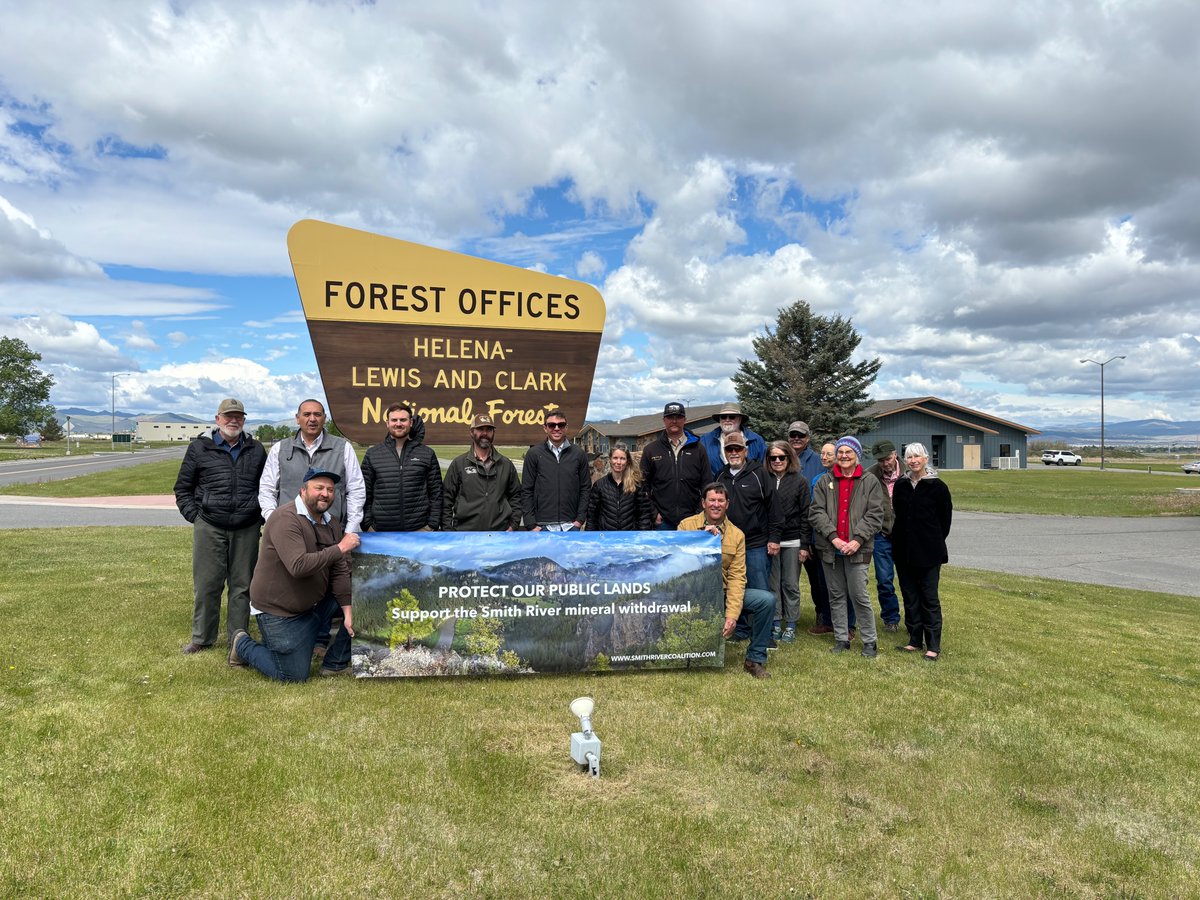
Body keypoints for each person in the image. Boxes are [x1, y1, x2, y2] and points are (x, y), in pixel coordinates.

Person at [229, 468, 360, 680]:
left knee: (362, 594)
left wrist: (348, 611)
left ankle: (334, 663)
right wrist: (340, 548)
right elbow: (298, 566)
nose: (325, 494)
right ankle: (242, 644)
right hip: (279, 613)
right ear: (303, 491)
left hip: (312, 605)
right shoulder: (285, 518)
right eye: (318, 488)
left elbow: (339, 571)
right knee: (293, 675)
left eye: (330, 489)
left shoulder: (332, 523)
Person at [174, 398, 267, 655]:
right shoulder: (199, 448)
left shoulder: (256, 449)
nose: (233, 420)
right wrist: (197, 517)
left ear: (244, 420)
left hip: (247, 527)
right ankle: (202, 637)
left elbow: (267, 487)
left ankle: (238, 637)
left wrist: (258, 516)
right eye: (228, 416)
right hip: (210, 525)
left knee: (242, 584)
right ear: (217, 419)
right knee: (207, 583)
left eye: (238, 416)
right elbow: (183, 488)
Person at [678, 483, 776, 678]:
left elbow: (737, 578)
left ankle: (754, 659)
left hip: (722, 593)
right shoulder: (686, 526)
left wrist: (732, 615)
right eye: (712, 500)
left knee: (766, 600)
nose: (716, 504)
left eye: (720, 500)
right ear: (703, 503)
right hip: (694, 592)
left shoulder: (737, 535)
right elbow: (680, 564)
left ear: (727, 504)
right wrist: (700, 538)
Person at [810, 436, 885, 658]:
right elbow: (816, 512)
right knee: (836, 595)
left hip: (858, 550)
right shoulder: (825, 481)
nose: (843, 456)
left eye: (848, 452)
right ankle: (841, 639)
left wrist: (857, 540)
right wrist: (834, 538)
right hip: (830, 549)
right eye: (840, 452)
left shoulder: (869, 481)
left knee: (859, 595)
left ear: (857, 455)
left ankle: (870, 642)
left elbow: (875, 514)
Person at [258, 398, 364, 532]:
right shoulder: (280, 449)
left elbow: (356, 490)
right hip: (290, 530)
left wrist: (350, 529)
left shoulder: (343, 448)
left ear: (324, 418)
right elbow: (267, 490)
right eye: (307, 414)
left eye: (317, 414)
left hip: (332, 530)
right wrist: (274, 520)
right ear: (297, 418)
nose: (312, 419)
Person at [891, 442, 953, 662]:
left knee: (929, 598)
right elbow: (898, 515)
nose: (913, 460)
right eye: (909, 457)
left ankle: (933, 645)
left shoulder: (938, 487)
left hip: (929, 553)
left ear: (926, 458)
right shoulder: (901, 486)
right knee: (910, 596)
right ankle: (914, 639)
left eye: (917, 456)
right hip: (903, 552)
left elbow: (945, 523)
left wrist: (929, 540)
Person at [715, 431, 782, 594]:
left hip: (755, 544)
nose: (733, 453)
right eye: (729, 449)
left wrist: (774, 538)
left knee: (759, 591)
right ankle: (738, 621)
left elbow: (774, 508)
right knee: (732, 590)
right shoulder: (720, 477)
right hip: (728, 543)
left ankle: (762, 621)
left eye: (737, 449)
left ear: (745, 451)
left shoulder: (759, 474)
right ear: (725, 452)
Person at [361, 403, 443, 532]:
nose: (398, 424)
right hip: (380, 532)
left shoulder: (426, 454)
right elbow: (365, 492)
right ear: (387, 423)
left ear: (410, 422)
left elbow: (436, 493)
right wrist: (368, 524)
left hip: (419, 530)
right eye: (394, 420)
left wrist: (432, 524)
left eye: (403, 420)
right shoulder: (373, 454)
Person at [765, 440, 812, 643]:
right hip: (770, 541)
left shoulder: (799, 481)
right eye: (772, 457)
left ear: (789, 458)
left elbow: (805, 515)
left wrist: (804, 545)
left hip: (793, 540)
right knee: (773, 584)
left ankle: (791, 624)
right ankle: (775, 623)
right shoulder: (764, 478)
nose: (777, 461)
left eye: (781, 457)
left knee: (790, 584)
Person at [442, 413, 522, 531]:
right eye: (480, 429)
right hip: (465, 534)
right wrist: (449, 531)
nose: (485, 433)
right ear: (471, 432)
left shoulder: (505, 464)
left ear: (493, 433)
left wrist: (513, 526)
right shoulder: (459, 464)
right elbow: (446, 500)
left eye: (489, 429)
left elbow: (516, 497)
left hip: (500, 534)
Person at [640, 401, 710, 530]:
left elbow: (706, 484)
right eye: (670, 418)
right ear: (664, 420)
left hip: (692, 520)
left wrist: (700, 512)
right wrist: (653, 512)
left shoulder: (699, 449)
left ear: (684, 420)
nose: (674, 421)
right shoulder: (651, 450)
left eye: (678, 417)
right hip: (662, 521)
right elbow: (643, 486)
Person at [522, 410, 590, 531]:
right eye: (552, 425)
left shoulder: (578, 454)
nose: (556, 428)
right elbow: (527, 490)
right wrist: (530, 523)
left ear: (566, 427)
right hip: (542, 525)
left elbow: (585, 488)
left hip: (570, 525)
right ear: (545, 428)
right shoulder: (534, 454)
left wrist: (579, 520)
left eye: (561, 425)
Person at [865, 440, 903, 633]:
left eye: (888, 458)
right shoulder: (870, 475)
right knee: (884, 579)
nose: (885, 463)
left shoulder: (908, 472)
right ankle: (891, 618)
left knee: (909, 579)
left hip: (905, 536)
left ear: (895, 454)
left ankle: (915, 617)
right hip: (881, 536)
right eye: (881, 460)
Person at [586, 443, 653, 531]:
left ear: (627, 461)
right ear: (610, 459)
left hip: (630, 538)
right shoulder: (599, 485)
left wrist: (642, 537)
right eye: (615, 458)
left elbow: (644, 515)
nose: (618, 462)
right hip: (606, 538)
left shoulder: (636, 484)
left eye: (622, 458)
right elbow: (592, 516)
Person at [700, 401, 767, 477]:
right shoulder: (705, 440)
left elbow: (765, 467)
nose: (727, 420)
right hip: (716, 486)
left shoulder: (756, 440)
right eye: (723, 417)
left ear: (740, 419)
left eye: (732, 417)